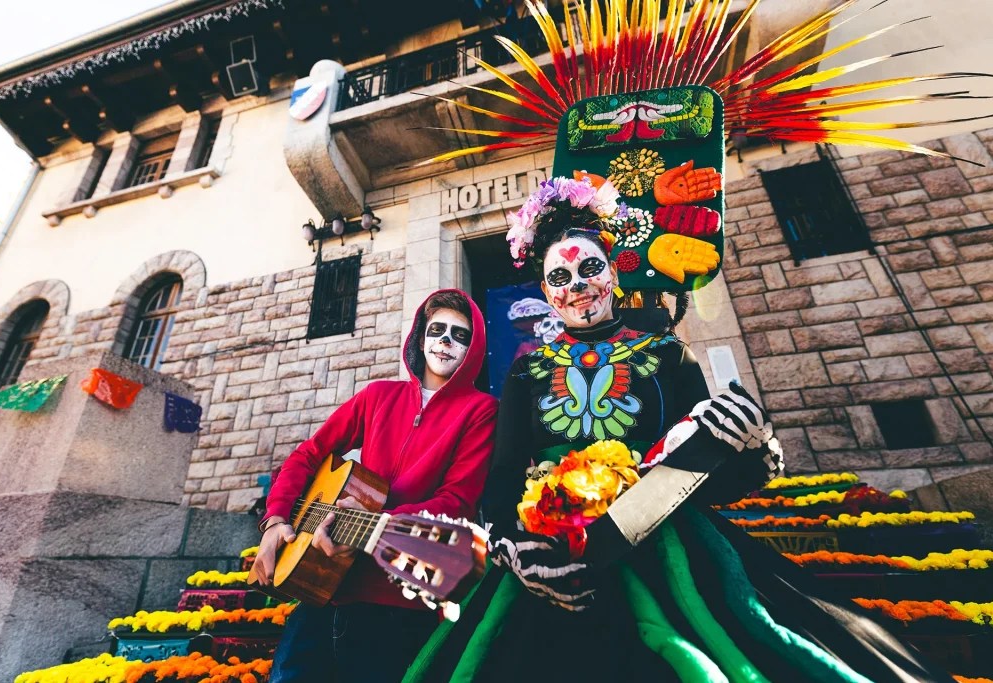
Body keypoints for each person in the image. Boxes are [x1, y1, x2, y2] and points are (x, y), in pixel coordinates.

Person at [405, 178, 955, 683]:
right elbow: (502, 473)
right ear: (547, 293)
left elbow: (704, 473)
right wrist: (513, 547)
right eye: (560, 277)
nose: (577, 286)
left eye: (590, 269)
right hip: (552, 549)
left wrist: (750, 446)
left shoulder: (669, 352)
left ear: (614, 274)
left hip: (669, 541)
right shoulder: (524, 371)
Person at [251, 289, 498, 683]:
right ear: (420, 337)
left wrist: (377, 522)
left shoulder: (481, 411)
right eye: (437, 330)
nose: (446, 340)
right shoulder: (378, 395)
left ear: (475, 348)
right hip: (322, 591)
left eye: (460, 334)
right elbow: (309, 454)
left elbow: (457, 501)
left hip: (396, 604)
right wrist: (276, 518)